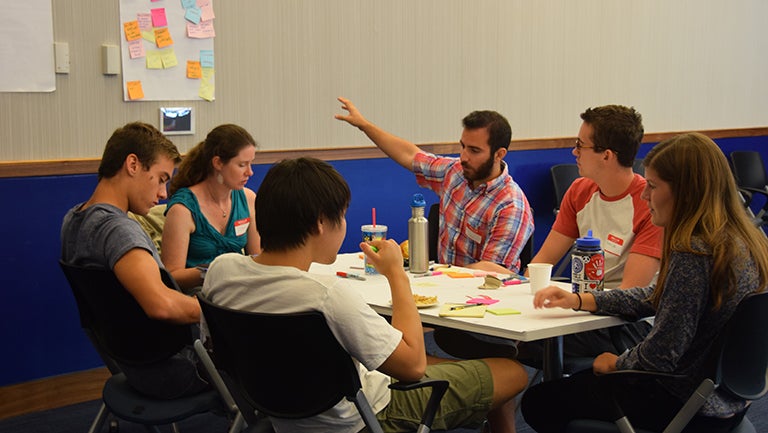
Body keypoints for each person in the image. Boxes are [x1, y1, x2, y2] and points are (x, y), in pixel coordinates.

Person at [201, 157, 528, 433]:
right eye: (341, 215)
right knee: (512, 371)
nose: (343, 224)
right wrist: (396, 274)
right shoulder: (325, 295)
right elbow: (412, 366)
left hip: (275, 411)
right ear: (319, 224)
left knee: (445, 362)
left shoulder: (222, 270)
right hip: (365, 417)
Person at [521, 132, 768, 433]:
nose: (644, 195)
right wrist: (586, 300)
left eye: (652, 186)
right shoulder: (744, 241)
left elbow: (662, 354)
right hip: (728, 401)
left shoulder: (693, 251)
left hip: (682, 401)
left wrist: (617, 364)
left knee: (540, 401)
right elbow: (662, 297)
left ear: (685, 192)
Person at [60, 122, 208, 399]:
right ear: (133, 164)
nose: (164, 193)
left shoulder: (72, 221)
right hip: (178, 369)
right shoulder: (118, 230)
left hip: (128, 366)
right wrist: (220, 313)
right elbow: (161, 306)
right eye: (162, 178)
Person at [519, 105, 663, 363]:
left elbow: (631, 295)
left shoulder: (648, 203)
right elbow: (542, 263)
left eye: (580, 145)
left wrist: (575, 301)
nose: (574, 152)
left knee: (524, 344)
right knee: (517, 334)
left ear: (606, 156)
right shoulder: (579, 190)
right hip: (583, 308)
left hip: (629, 323)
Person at [335, 97, 533, 274]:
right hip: (443, 284)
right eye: (463, 146)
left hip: (484, 298)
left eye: (474, 150)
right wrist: (364, 125)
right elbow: (410, 156)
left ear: (499, 154)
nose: (463, 157)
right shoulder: (456, 173)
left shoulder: (510, 206)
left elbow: (492, 271)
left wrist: (439, 274)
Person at [162, 124, 261, 292]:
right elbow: (172, 276)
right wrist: (216, 271)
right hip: (199, 295)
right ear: (218, 163)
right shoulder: (183, 210)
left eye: (251, 164)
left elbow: (256, 257)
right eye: (242, 165)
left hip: (240, 290)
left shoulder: (248, 199)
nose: (250, 172)